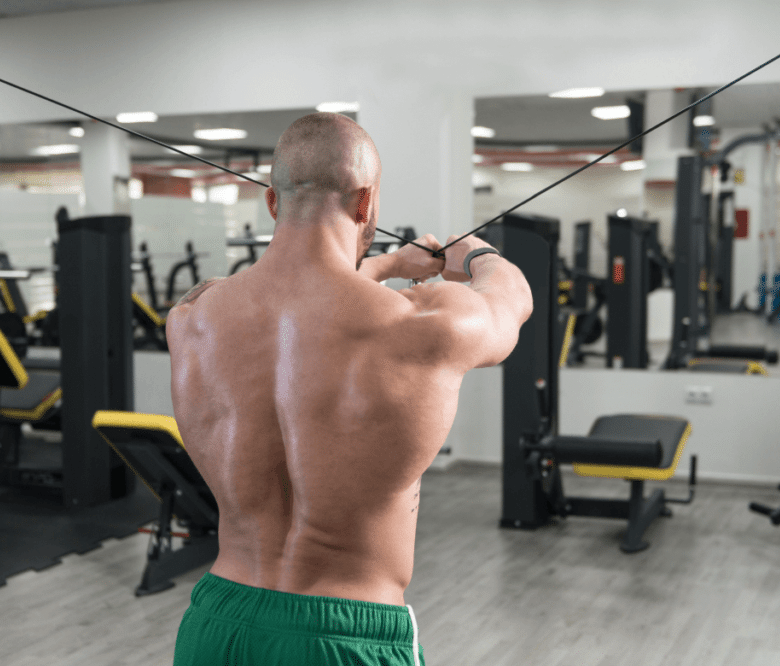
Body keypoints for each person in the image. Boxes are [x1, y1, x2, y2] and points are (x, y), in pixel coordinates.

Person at [165, 112, 533, 666]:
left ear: (272, 202)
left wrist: (385, 264)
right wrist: (476, 253)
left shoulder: (193, 317)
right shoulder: (424, 324)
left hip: (219, 623)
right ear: (366, 205)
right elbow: (511, 304)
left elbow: (304, 308)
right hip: (343, 636)